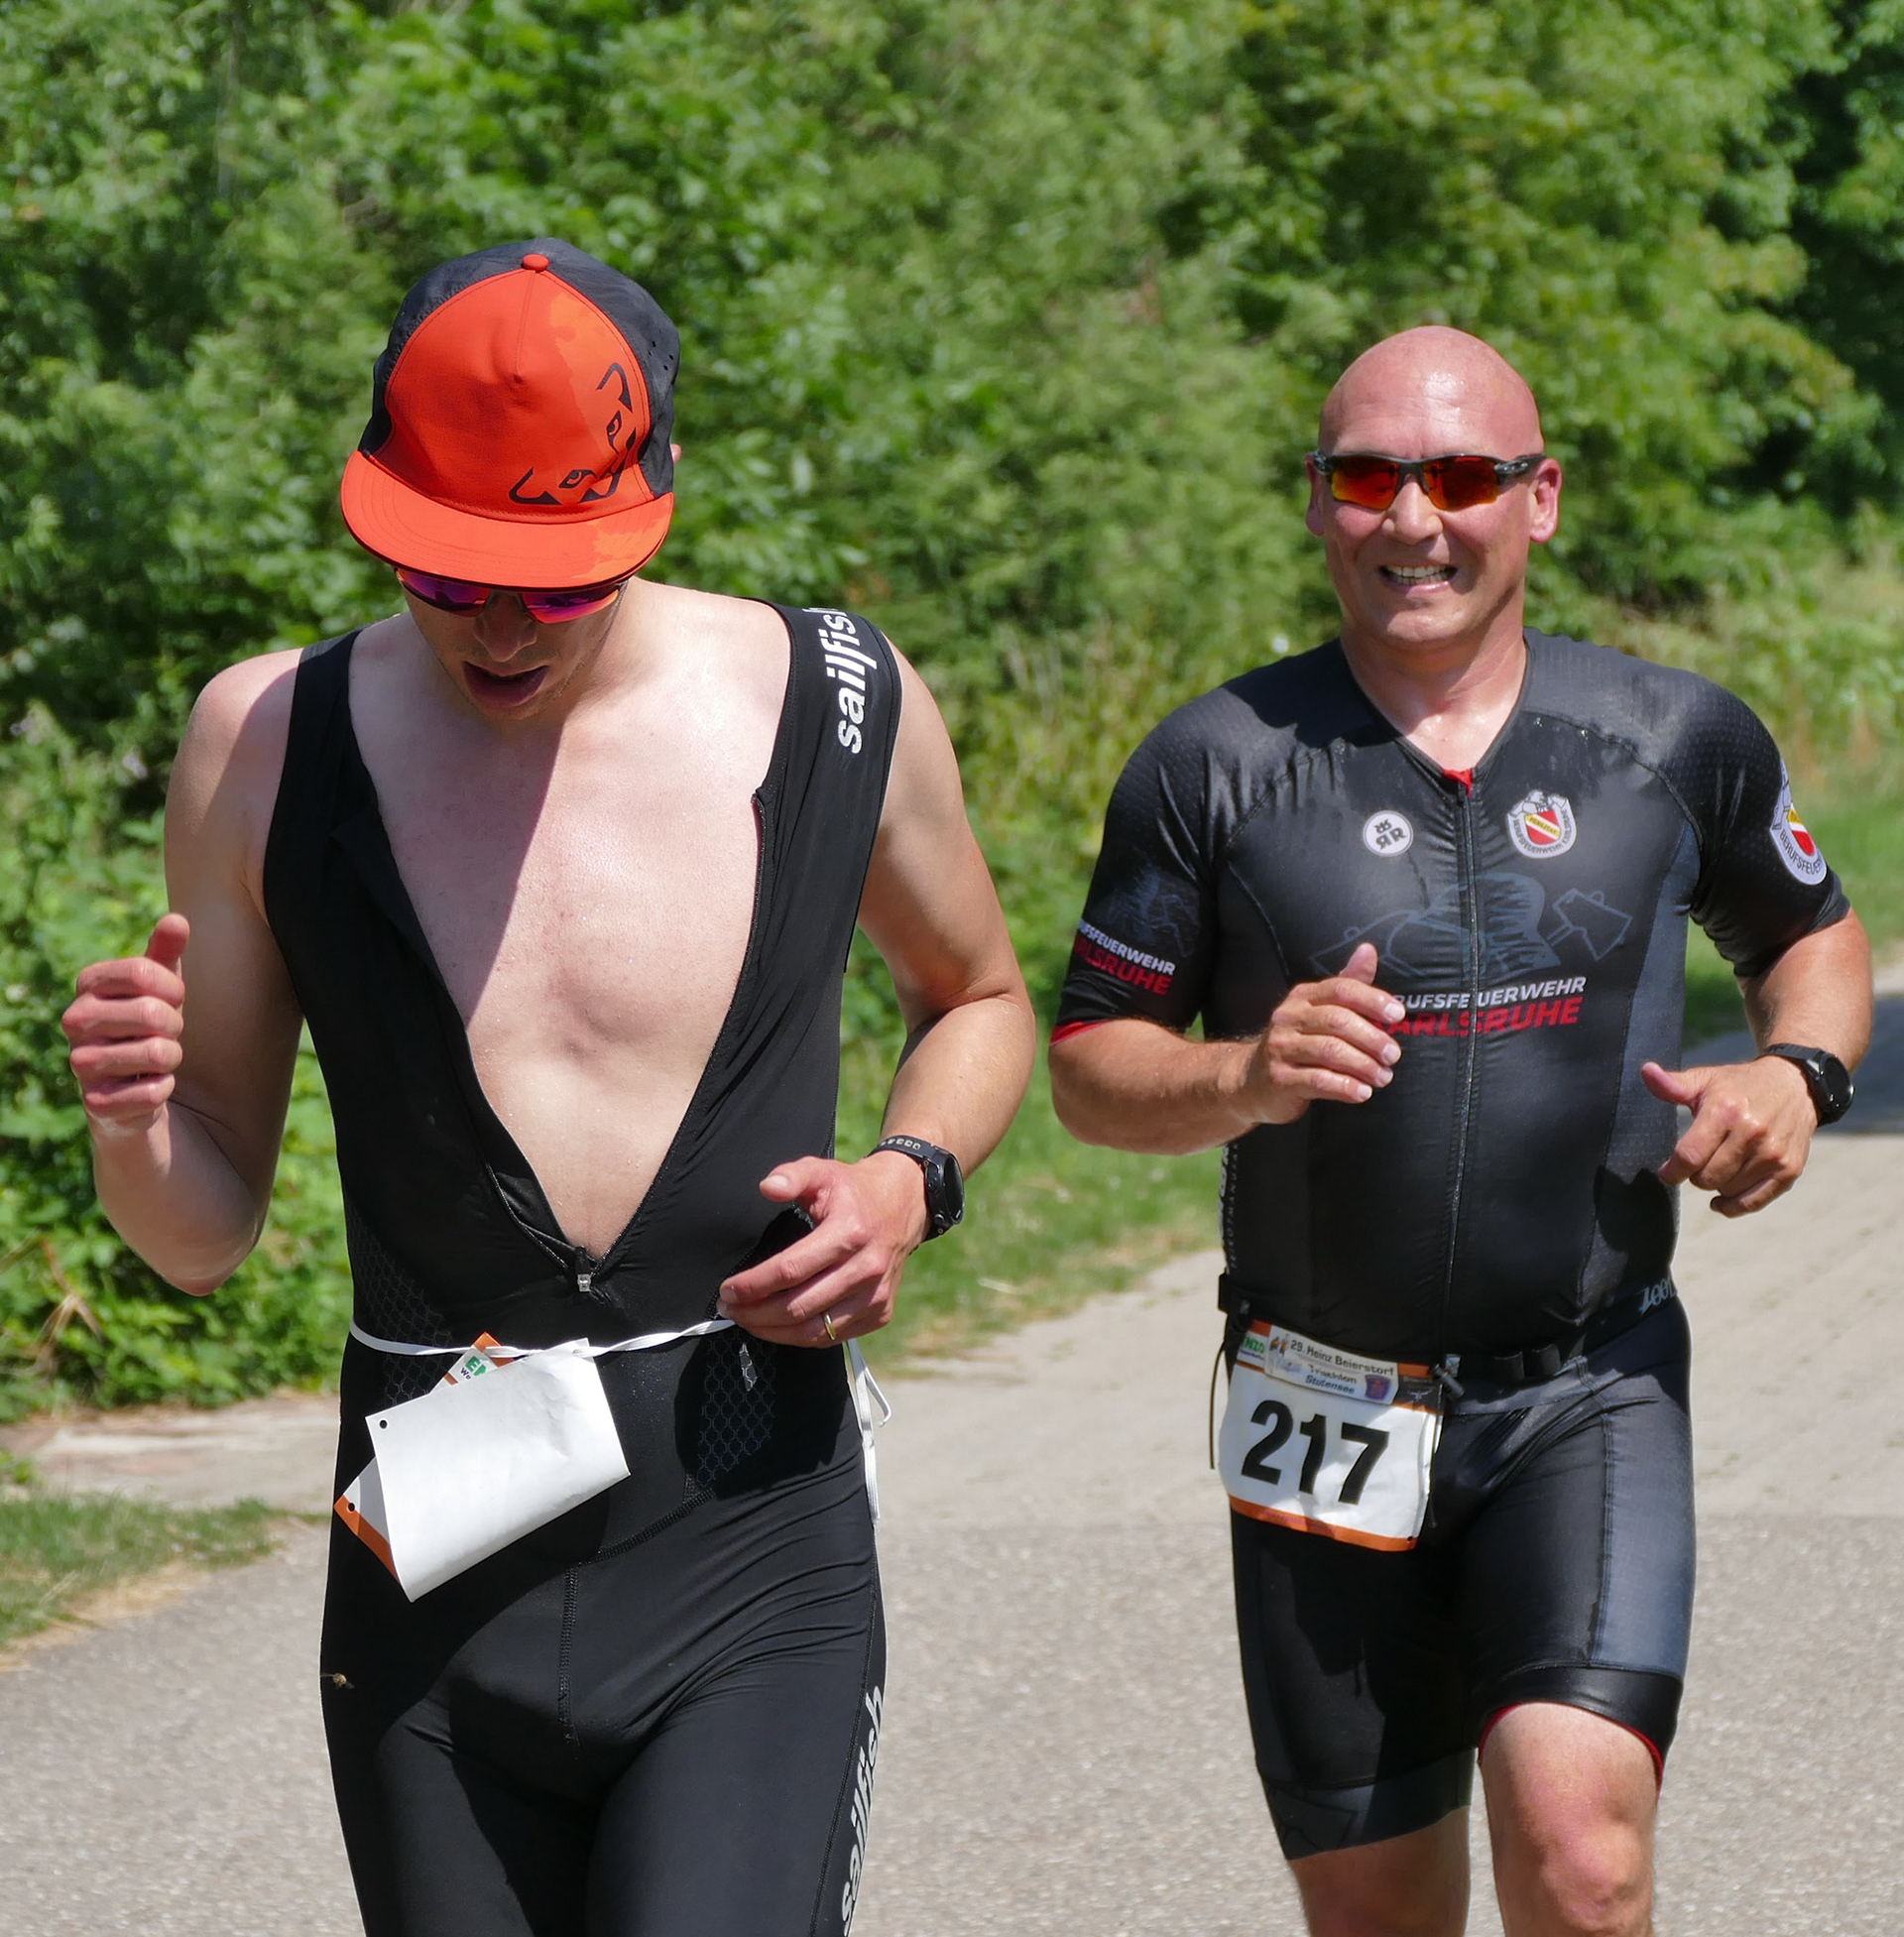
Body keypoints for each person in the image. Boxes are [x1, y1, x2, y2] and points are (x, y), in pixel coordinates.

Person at [61, 239, 1035, 1937]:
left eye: (558, 585)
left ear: (655, 504)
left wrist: (909, 1176)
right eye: (446, 574)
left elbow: (983, 998)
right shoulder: (265, 743)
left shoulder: (836, 701)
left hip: (751, 1551)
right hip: (435, 1584)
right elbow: (202, 1230)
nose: (501, 628)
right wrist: (136, 1124)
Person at [1049, 325, 1872, 1937]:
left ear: (1539, 497)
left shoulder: (1669, 736)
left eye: (1460, 477)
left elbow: (1815, 938)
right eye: (1368, 477)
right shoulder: (1214, 763)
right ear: (1317, 501)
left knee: (1584, 1856)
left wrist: (1799, 1073)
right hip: (1321, 1402)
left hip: (1589, 1386)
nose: (1413, 518)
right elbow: (1087, 1063)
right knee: (1381, 1918)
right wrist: (1244, 1074)